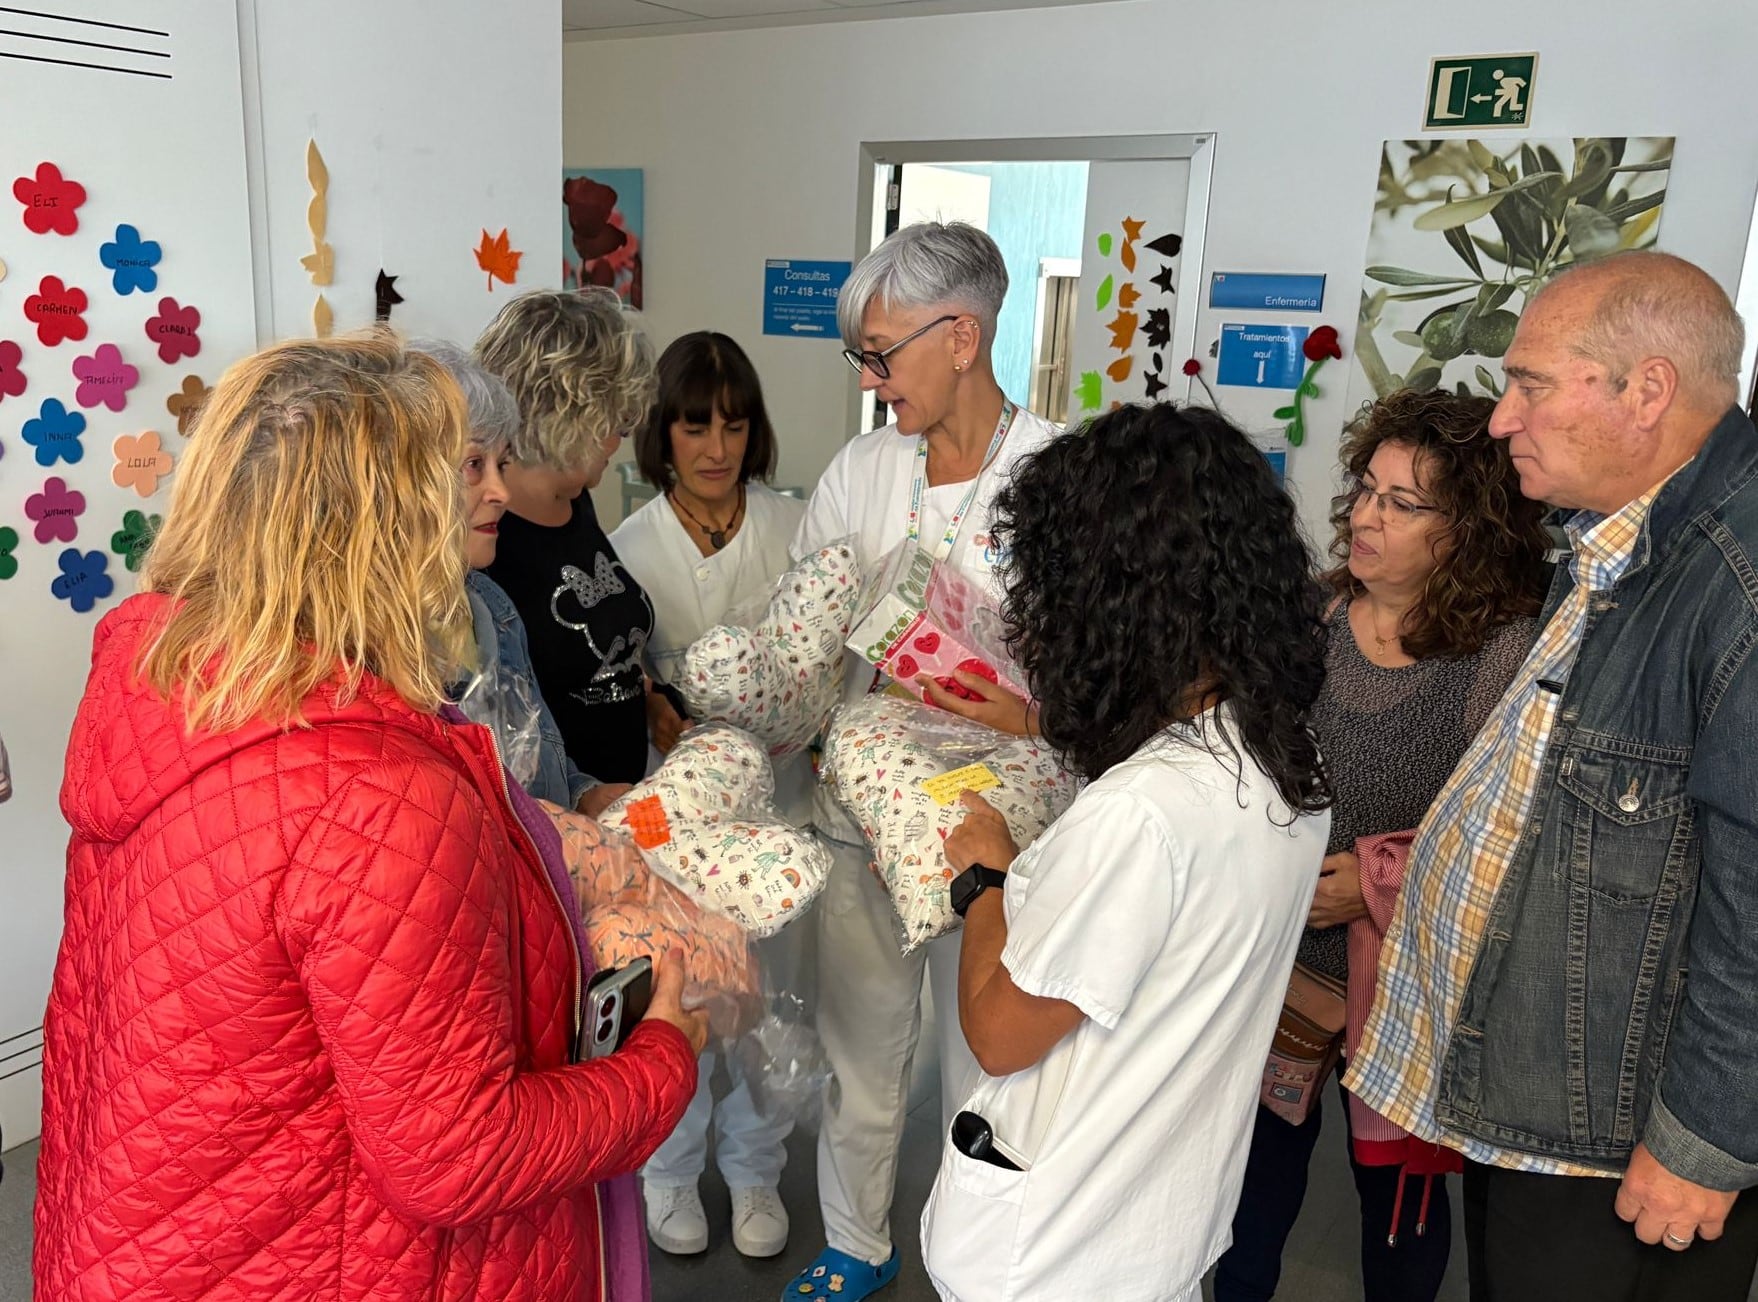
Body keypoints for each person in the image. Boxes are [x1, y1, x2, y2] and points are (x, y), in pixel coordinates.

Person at [33, 333, 707, 1301]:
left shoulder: (167, 692)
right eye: (462, 468)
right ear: (371, 521)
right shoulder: (379, 791)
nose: (496, 495)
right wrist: (659, 1064)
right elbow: (459, 1156)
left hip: (147, 1237)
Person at [1349, 250, 1758, 1302]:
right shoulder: (1614, 547)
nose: (1501, 417)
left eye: (1531, 384)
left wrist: (1707, 1134)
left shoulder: (1732, 582)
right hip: (1553, 1103)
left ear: (1648, 390)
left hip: (1625, 1145)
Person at [919, 401, 1332, 1301]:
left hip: (1055, 1254)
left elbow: (998, 1034)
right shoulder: (1282, 763)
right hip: (1163, 1230)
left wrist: (985, 879)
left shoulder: (1139, 818)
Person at [1214, 388, 1551, 1302]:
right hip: (1282, 975)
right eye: (1366, 489)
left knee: (1398, 1212)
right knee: (1248, 1202)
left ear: (1472, 529)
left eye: (1402, 503)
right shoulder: (1319, 616)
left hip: (1403, 989)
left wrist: (1369, 890)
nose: (1365, 515)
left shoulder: (1500, 654)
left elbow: (1507, 840)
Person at [783, 221, 1062, 1302]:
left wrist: (1014, 712)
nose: (870, 379)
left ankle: (971, 1248)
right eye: (860, 355)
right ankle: (856, 1240)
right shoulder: (863, 470)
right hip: (864, 812)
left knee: (983, 1050)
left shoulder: (1055, 477)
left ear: (963, 336)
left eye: (882, 353)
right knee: (863, 1045)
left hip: (1001, 828)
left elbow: (1106, 679)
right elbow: (807, 638)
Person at [609, 331, 805, 1260]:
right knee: (677, 992)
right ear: (664, 434)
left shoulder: (791, 529)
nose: (717, 448)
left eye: (734, 425)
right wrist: (653, 713)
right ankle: (671, 1170)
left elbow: (820, 659)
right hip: (666, 814)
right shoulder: (625, 550)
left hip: (780, 806)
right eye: (696, 427)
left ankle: (757, 1168)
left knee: (769, 996)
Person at [410, 337, 604, 813]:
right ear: (410, 477)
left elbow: (536, 763)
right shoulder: (381, 643)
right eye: (474, 465)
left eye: (502, 464)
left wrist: (585, 795)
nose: (500, 491)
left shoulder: (491, 607)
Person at [476, 287, 658, 789]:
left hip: (623, 807)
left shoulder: (575, 497)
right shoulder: (484, 535)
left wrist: (646, 694)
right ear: (568, 414)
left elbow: (591, 656)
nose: (620, 441)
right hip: (560, 825)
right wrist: (580, 797)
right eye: (614, 422)